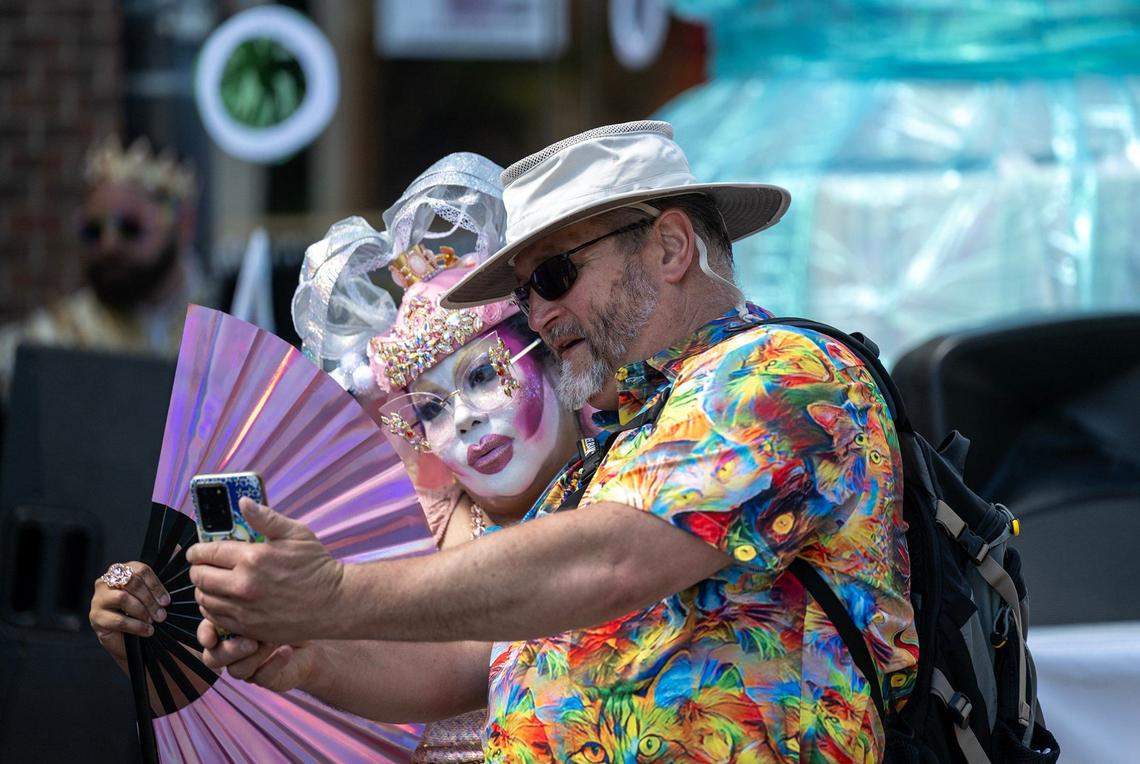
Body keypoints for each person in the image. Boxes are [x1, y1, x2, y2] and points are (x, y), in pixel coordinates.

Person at [188, 121, 919, 762]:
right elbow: (481, 656)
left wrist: (333, 595)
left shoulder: (782, 371)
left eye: (554, 275)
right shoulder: (627, 429)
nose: (538, 315)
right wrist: (306, 657)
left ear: (669, 247)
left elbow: (613, 561)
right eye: (528, 292)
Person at [90, 153, 581, 762]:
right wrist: (155, 634)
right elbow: (276, 704)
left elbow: (462, 657)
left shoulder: (624, 485)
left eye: (484, 375)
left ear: (554, 357)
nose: (464, 417)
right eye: (429, 407)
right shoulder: (392, 527)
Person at [0, 135, 211, 398]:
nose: (108, 245)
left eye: (130, 228)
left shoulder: (227, 335)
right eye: (93, 230)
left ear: (183, 226)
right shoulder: (58, 338)